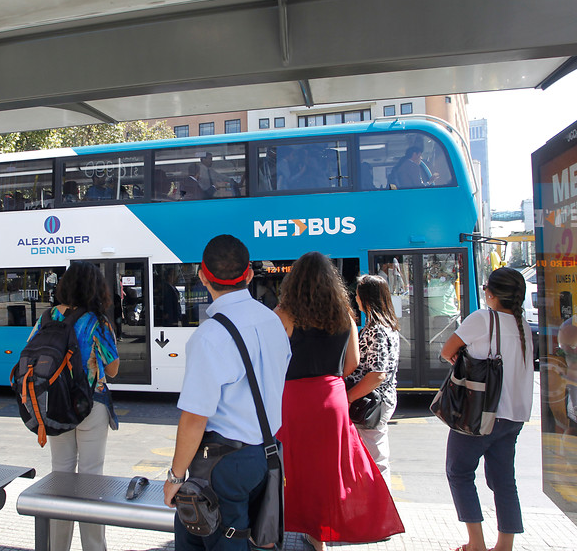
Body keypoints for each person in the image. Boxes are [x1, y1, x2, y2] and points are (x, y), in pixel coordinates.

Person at [163, 234, 291, 551]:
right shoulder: (273, 321)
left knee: (217, 539)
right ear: (248, 274)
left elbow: (195, 418)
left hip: (224, 465)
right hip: (268, 453)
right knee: (254, 539)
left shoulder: (209, 336)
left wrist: (175, 478)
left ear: (203, 276)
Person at [275, 252, 403, 548]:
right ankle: (319, 534)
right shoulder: (345, 315)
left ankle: (287, 524)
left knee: (293, 464)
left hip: (294, 396)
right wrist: (330, 379)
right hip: (332, 396)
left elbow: (270, 358)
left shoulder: (283, 315)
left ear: (294, 282)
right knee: (327, 468)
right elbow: (352, 364)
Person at [24, 261, 120, 551]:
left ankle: (57, 547)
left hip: (56, 405)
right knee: (91, 479)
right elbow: (113, 369)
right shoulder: (97, 322)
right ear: (96, 288)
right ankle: (94, 547)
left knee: (61, 477)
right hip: (91, 404)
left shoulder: (47, 317)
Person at [440, 267, 533, 551]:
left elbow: (447, 351)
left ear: (491, 293)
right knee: (504, 481)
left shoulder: (483, 318)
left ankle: (476, 543)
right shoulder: (522, 324)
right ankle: (504, 545)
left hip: (481, 415)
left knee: (459, 472)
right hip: (514, 417)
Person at [346, 274, 401, 484]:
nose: (356, 299)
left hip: (371, 403)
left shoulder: (376, 329)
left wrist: (350, 397)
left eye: (358, 295)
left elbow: (378, 374)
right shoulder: (388, 326)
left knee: (375, 460)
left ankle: (381, 500)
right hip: (380, 400)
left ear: (366, 298)